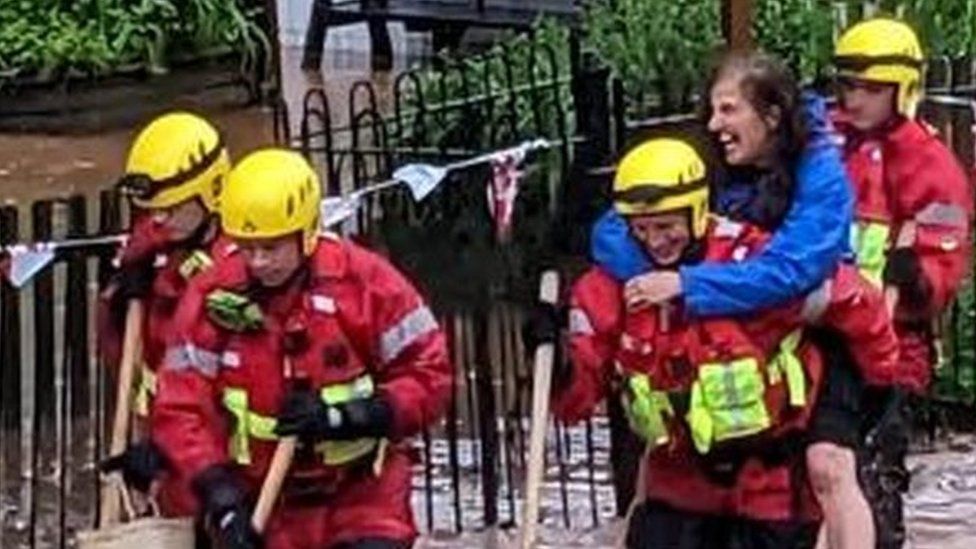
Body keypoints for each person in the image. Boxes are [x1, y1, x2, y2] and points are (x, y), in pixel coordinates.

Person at [588, 51, 877, 549]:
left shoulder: (820, 170)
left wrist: (688, 285)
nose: (713, 123)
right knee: (663, 461)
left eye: (727, 110)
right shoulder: (706, 159)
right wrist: (661, 277)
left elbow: (793, 270)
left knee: (826, 465)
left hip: (828, 327)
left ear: (770, 116)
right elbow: (614, 232)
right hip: (738, 325)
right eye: (712, 110)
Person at [151, 148, 452, 548]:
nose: (257, 261)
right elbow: (180, 408)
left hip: (362, 497)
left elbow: (430, 375)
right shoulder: (211, 296)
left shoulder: (365, 284)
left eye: (271, 248)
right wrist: (219, 495)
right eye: (246, 246)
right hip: (264, 506)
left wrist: (348, 417)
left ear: (306, 234)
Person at [832, 18, 973, 549]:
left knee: (874, 478)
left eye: (870, 87)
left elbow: (946, 257)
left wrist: (917, 276)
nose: (855, 98)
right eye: (848, 85)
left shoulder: (929, 162)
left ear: (901, 88)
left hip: (892, 348)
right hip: (825, 330)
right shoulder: (828, 144)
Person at [99, 111, 236, 516]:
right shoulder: (151, 246)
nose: (159, 219)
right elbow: (119, 351)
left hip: (218, 470)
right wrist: (118, 295)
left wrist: (170, 450)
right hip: (165, 460)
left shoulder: (243, 264)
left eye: (171, 208)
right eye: (152, 209)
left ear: (211, 192)